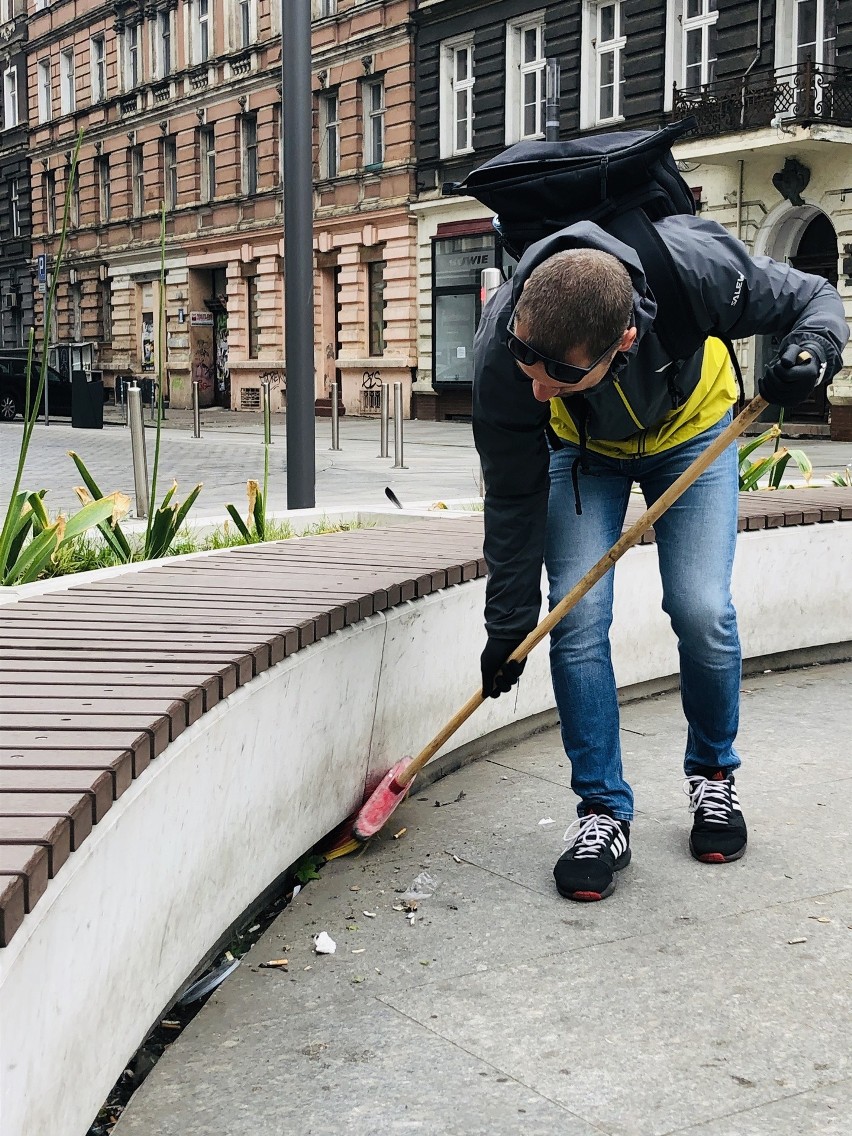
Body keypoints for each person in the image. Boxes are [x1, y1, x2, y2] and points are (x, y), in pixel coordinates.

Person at [473, 215, 848, 902]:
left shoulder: (693, 267)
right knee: (577, 621)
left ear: (624, 341)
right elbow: (511, 497)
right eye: (531, 366)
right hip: (584, 455)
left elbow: (814, 298)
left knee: (701, 608)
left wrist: (814, 350)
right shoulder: (505, 344)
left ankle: (713, 779)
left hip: (692, 434)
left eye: (562, 373)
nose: (538, 387)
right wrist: (508, 627)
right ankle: (602, 812)